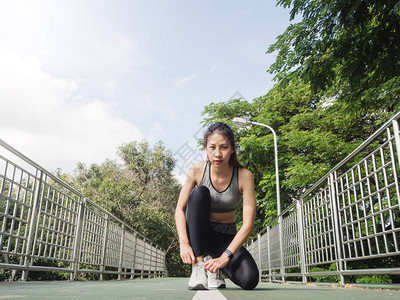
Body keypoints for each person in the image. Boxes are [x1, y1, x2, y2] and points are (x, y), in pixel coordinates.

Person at [175, 122, 259, 290]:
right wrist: (184, 242)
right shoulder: (197, 170)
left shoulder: (244, 176)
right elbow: (180, 209)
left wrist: (225, 256)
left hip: (225, 238)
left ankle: (213, 266)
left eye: (224, 147)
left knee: (250, 279)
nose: (218, 153)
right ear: (206, 148)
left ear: (232, 149)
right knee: (199, 193)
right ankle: (199, 265)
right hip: (200, 235)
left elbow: (248, 223)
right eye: (212, 147)